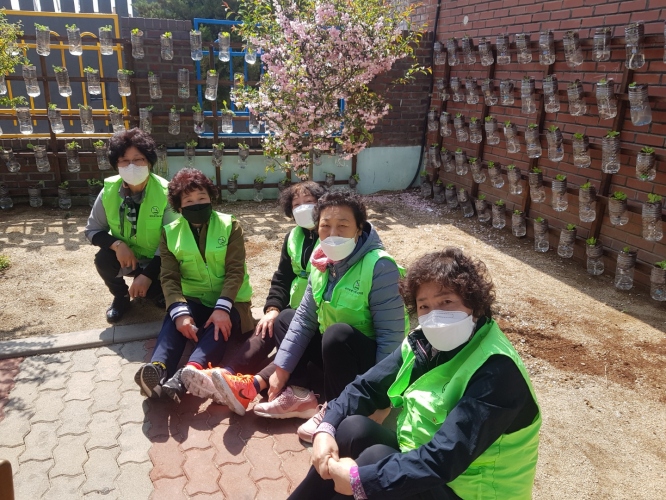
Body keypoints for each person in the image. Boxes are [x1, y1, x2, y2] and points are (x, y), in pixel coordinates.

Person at [291, 248, 541, 500]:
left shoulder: (498, 371)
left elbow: (444, 458)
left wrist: (360, 481)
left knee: (373, 462)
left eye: (446, 302)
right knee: (351, 429)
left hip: (465, 490)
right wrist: (326, 428)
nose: (435, 316)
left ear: (474, 304)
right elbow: (366, 387)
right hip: (424, 463)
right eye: (424, 306)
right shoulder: (424, 343)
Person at [213, 190, 407, 443]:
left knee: (337, 334)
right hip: (335, 355)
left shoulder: (379, 266)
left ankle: (335, 410)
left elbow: (391, 338)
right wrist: (282, 369)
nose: (333, 234)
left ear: (359, 229)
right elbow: (304, 319)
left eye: (343, 226)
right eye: (325, 226)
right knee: (286, 318)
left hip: (365, 362)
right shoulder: (321, 262)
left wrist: (381, 397)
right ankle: (300, 395)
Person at [181, 181, 325, 406]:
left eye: (309, 202)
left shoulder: (332, 238)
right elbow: (282, 277)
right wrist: (272, 308)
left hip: (319, 317)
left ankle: (247, 386)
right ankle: (227, 374)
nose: (303, 208)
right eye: (296, 204)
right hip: (294, 310)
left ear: (323, 204)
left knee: (292, 341)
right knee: (266, 326)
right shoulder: (293, 237)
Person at [133, 168, 254, 403]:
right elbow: (169, 277)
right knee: (175, 320)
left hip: (232, 301)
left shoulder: (230, 225)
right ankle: (157, 369)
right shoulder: (169, 233)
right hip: (194, 298)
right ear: (179, 207)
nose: (196, 204)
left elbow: (235, 270)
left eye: (202, 198)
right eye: (188, 201)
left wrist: (223, 308)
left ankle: (188, 374)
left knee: (219, 328)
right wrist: (180, 313)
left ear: (211, 198)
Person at [84, 128, 175, 323]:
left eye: (138, 159)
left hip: (158, 259)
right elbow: (92, 230)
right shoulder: (108, 191)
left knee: (152, 290)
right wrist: (117, 245)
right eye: (124, 160)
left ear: (149, 162)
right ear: (116, 164)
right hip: (127, 258)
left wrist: (148, 275)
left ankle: (156, 289)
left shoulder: (166, 192)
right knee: (103, 260)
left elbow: (174, 239)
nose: (131, 166)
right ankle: (121, 297)